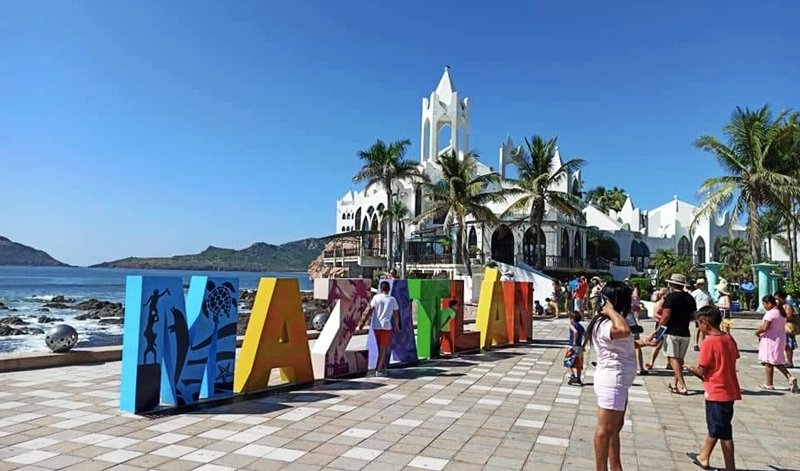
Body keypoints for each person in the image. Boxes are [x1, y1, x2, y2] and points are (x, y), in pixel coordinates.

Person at [583, 281, 651, 471]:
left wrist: (642, 343)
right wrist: (610, 310)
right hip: (611, 381)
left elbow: (621, 343)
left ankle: (616, 465)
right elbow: (623, 331)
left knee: (615, 428)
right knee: (605, 430)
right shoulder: (606, 322)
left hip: (620, 381)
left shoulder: (615, 320)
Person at [685, 306, 741, 471]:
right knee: (717, 426)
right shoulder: (728, 338)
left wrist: (689, 368)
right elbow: (735, 355)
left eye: (698, 324)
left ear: (704, 324)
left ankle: (730, 467)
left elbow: (702, 370)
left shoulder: (708, 342)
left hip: (716, 391)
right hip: (730, 389)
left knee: (724, 432)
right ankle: (704, 456)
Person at [650, 273, 696, 395]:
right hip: (685, 331)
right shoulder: (690, 298)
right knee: (679, 359)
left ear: (672, 284)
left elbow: (665, 316)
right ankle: (674, 383)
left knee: (673, 358)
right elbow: (693, 316)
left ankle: (682, 384)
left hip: (671, 331)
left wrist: (658, 331)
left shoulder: (670, 298)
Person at [756, 295, 798, 391]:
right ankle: (789, 377)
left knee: (768, 362)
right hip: (780, 338)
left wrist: (757, 332)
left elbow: (765, 327)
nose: (764, 306)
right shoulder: (781, 313)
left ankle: (769, 384)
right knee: (776, 361)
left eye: (764, 304)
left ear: (769, 303)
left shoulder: (770, 313)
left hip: (770, 339)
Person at [359, 281, 400, 377]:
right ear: (389, 289)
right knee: (383, 349)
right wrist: (397, 325)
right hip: (386, 327)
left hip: (376, 326)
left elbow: (370, 310)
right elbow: (396, 315)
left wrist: (362, 323)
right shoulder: (392, 299)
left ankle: (382, 366)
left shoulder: (376, 298)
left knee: (379, 348)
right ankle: (379, 370)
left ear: (381, 289)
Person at [645, 287, 669, 370]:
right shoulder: (660, 303)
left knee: (668, 344)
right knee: (658, 344)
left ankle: (669, 363)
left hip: (665, 325)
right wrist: (664, 318)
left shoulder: (666, 303)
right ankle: (651, 362)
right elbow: (655, 314)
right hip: (661, 325)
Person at [626, 286, 647, 376]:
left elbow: (637, 310)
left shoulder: (631, 299)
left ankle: (640, 367)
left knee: (636, 346)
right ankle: (637, 367)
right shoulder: (626, 300)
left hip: (631, 323)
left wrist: (635, 308)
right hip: (627, 323)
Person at [776, 290, 798, 368]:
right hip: (780, 328)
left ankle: (789, 361)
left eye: (778, 299)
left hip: (787, 328)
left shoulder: (787, 306)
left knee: (788, 345)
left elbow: (789, 316)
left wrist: (780, 318)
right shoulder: (778, 306)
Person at [691, 279, 713, 351]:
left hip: (706, 312)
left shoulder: (707, 293)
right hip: (698, 312)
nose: (702, 285)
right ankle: (695, 343)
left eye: (703, 284)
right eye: (700, 284)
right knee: (698, 328)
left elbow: (710, 302)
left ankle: (702, 343)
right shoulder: (694, 293)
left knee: (704, 328)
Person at [565, 311, 585, 385]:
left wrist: (573, 342)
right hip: (579, 347)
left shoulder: (571, 325)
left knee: (567, 361)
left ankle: (573, 376)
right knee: (578, 364)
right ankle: (578, 378)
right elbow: (586, 336)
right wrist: (584, 345)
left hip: (572, 346)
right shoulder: (581, 326)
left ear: (572, 319)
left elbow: (575, 332)